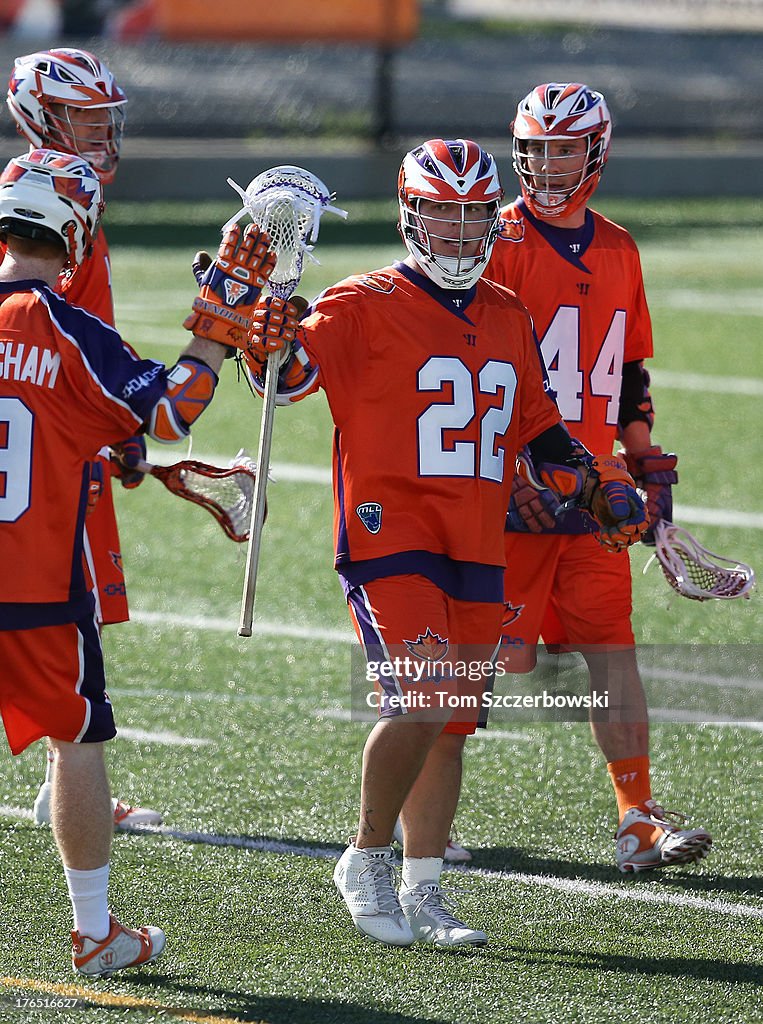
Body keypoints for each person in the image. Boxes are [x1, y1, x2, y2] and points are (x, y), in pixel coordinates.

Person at [243, 138, 647, 947]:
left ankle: (425, 890)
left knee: (451, 719)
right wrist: (264, 321)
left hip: (476, 540)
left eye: (471, 217)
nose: (459, 234)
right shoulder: (360, 301)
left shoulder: (505, 310)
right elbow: (278, 381)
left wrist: (600, 485)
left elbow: (542, 431)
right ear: (408, 214)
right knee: (422, 698)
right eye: (441, 215)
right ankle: (363, 856)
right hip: (391, 535)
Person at [0, 147, 274, 973]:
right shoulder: (63, 327)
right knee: (76, 741)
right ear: (76, 231)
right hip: (36, 582)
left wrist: (122, 457)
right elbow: (170, 407)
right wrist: (216, 322)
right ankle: (93, 930)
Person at [485, 83, 712, 872]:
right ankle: (417, 819)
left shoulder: (618, 246)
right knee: (486, 659)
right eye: (536, 148)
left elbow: (626, 371)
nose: (547, 164)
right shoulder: (497, 239)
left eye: (563, 148)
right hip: (512, 484)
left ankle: (635, 814)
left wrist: (642, 455)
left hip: (594, 488)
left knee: (611, 651)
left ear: (595, 152)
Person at [6, 46, 161, 828]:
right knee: (52, 604)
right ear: (37, 114)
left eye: (106, 119)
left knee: (77, 605)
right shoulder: (36, 207)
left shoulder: (69, 199)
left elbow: (87, 333)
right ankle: (66, 766)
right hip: (38, 435)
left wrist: (112, 430)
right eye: (81, 118)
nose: (99, 133)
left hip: (69, 420)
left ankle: (61, 771)